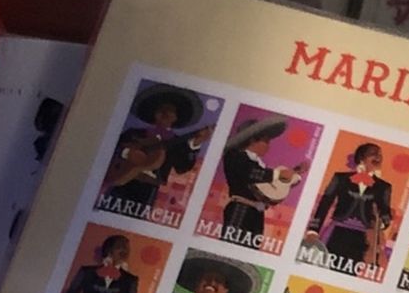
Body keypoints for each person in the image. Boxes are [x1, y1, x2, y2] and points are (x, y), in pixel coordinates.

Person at [102, 88, 208, 217]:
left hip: (148, 187)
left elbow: (182, 167)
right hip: (122, 179)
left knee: (136, 216)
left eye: (170, 111)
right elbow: (112, 149)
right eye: (161, 110)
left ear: (176, 117)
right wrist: (128, 153)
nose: (165, 114)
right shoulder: (134, 133)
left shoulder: (176, 143)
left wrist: (195, 144)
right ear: (154, 114)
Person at [306, 142, 394, 271]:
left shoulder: (384, 187)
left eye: (380, 155)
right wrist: (313, 230)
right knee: (323, 267)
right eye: (373, 154)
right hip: (336, 233)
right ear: (361, 157)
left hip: (363, 238)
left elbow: (386, 214)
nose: (378, 157)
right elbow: (324, 204)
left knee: (350, 272)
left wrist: (381, 222)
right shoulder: (340, 178)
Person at [217, 117, 298, 245]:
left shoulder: (258, 163)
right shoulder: (235, 156)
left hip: (256, 212)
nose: (268, 146)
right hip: (240, 209)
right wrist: (278, 174)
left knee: (252, 245)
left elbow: (267, 188)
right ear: (252, 140)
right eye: (265, 141)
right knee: (232, 243)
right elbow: (251, 173)